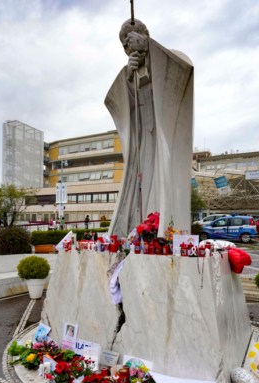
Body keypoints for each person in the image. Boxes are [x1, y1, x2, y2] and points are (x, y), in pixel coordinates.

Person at [106, 18, 193, 238]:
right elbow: (122, 105)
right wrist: (128, 80)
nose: (129, 47)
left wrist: (148, 48)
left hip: (164, 133)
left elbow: (183, 69)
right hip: (143, 138)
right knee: (141, 184)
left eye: (131, 40)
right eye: (124, 45)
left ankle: (164, 230)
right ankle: (141, 230)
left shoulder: (167, 58)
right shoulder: (130, 71)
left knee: (162, 181)